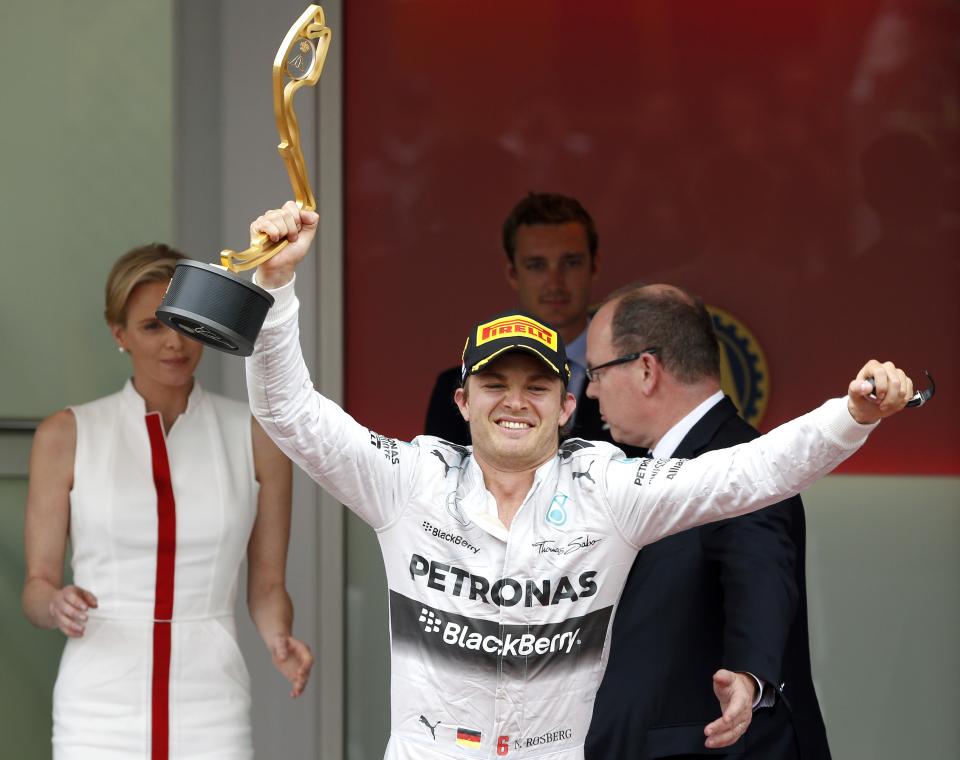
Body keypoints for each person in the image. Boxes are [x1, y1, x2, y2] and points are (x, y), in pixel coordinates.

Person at [244, 202, 912, 760]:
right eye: (494, 385)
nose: (515, 401)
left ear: (569, 409)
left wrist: (850, 415)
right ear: (462, 403)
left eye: (537, 386)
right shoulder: (409, 480)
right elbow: (289, 412)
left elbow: (749, 473)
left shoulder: (608, 489)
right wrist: (276, 287)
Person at [22, 244, 313, 759]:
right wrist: (55, 603)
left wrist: (278, 638)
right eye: (152, 326)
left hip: (212, 699)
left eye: (183, 322)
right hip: (96, 702)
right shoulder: (65, 434)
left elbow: (267, 587)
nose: (174, 343)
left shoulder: (256, 437)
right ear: (119, 335)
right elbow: (37, 588)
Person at [584, 283, 830, 759]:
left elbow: (760, 572)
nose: (590, 389)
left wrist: (749, 676)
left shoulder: (740, 463)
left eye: (596, 371)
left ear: (646, 370)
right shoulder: (644, 469)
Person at [424, 192, 638, 453]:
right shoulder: (454, 385)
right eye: (537, 265)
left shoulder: (633, 374)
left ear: (594, 266)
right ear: (513, 273)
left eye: (570, 263)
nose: (555, 283)